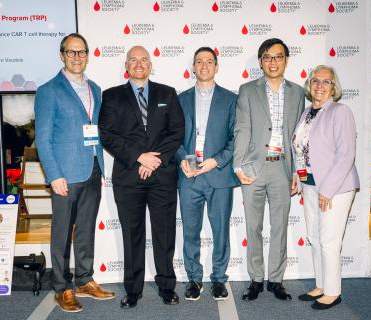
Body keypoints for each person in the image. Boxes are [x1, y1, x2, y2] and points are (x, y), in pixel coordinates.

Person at [99, 46, 185, 309]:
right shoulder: (112, 96)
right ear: (126, 65)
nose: (139, 64)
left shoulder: (167, 93)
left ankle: (167, 286)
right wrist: (139, 157)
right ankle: (133, 290)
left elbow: (177, 131)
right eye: (133, 60)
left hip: (162, 177)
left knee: (165, 234)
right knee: (132, 236)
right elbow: (108, 134)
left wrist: (154, 160)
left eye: (143, 59)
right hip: (128, 177)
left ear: (151, 65)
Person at [34, 33, 115, 313]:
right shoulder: (48, 90)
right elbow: (43, 139)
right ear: (62, 55)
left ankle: (84, 279)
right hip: (64, 176)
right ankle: (61, 287)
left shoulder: (96, 89)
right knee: (61, 234)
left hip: (93, 169)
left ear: (87, 55)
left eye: (81, 52)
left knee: (85, 231)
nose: (77, 57)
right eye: (71, 52)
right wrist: (53, 175)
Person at [233, 38, 305, 301]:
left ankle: (276, 279)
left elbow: (299, 136)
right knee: (253, 227)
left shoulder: (298, 92)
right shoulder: (247, 90)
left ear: (286, 60)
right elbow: (242, 129)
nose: (273, 62)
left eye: (278, 56)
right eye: (267, 57)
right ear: (260, 61)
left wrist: (298, 171)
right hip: (253, 168)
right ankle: (255, 279)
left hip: (282, 168)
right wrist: (238, 165)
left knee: (280, 227)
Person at [292, 65, 359, 310]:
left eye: (326, 81)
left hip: (335, 188)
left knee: (329, 240)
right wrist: (297, 177)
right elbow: (301, 149)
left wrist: (327, 190)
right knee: (314, 237)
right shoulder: (307, 112)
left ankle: (333, 292)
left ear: (334, 86)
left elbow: (346, 155)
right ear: (310, 85)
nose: (320, 85)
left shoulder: (340, 112)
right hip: (309, 184)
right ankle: (321, 285)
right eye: (315, 81)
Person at [175, 47, 239, 301]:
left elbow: (237, 138)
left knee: (220, 231)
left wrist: (217, 161)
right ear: (193, 67)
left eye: (209, 61)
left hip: (219, 176)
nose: (204, 65)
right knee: (190, 231)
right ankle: (193, 279)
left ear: (216, 66)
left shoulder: (230, 99)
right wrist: (181, 158)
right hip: (189, 177)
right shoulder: (180, 99)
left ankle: (219, 279)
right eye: (199, 61)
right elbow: (172, 137)